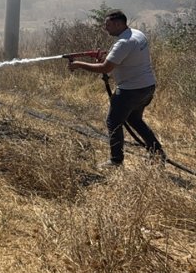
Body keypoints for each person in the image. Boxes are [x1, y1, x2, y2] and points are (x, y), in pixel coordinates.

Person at [68, 9, 165, 167]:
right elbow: (126, 58)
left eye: (108, 25)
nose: (105, 28)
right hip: (147, 87)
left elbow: (105, 68)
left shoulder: (123, 43)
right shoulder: (137, 34)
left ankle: (115, 160)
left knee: (113, 122)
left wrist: (78, 64)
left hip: (130, 90)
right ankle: (157, 152)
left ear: (119, 24)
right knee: (134, 119)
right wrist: (109, 57)